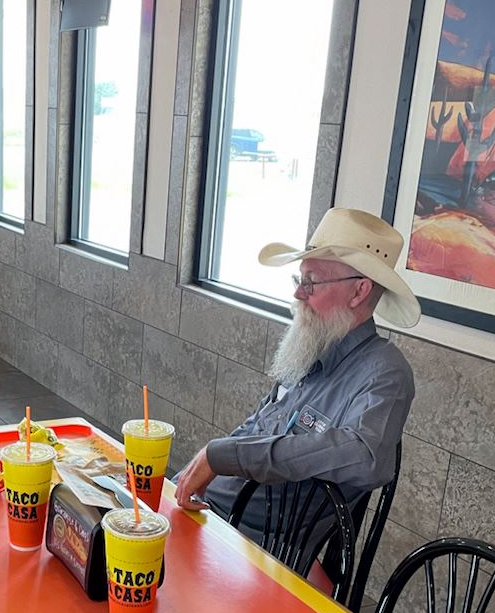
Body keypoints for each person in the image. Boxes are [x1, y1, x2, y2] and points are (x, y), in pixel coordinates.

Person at [175, 207, 421, 526]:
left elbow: (364, 456)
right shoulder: (313, 346)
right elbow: (257, 427)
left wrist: (226, 455)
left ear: (359, 291)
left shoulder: (384, 371)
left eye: (311, 282)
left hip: (251, 542)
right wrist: (186, 479)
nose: (297, 293)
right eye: (299, 278)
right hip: (209, 512)